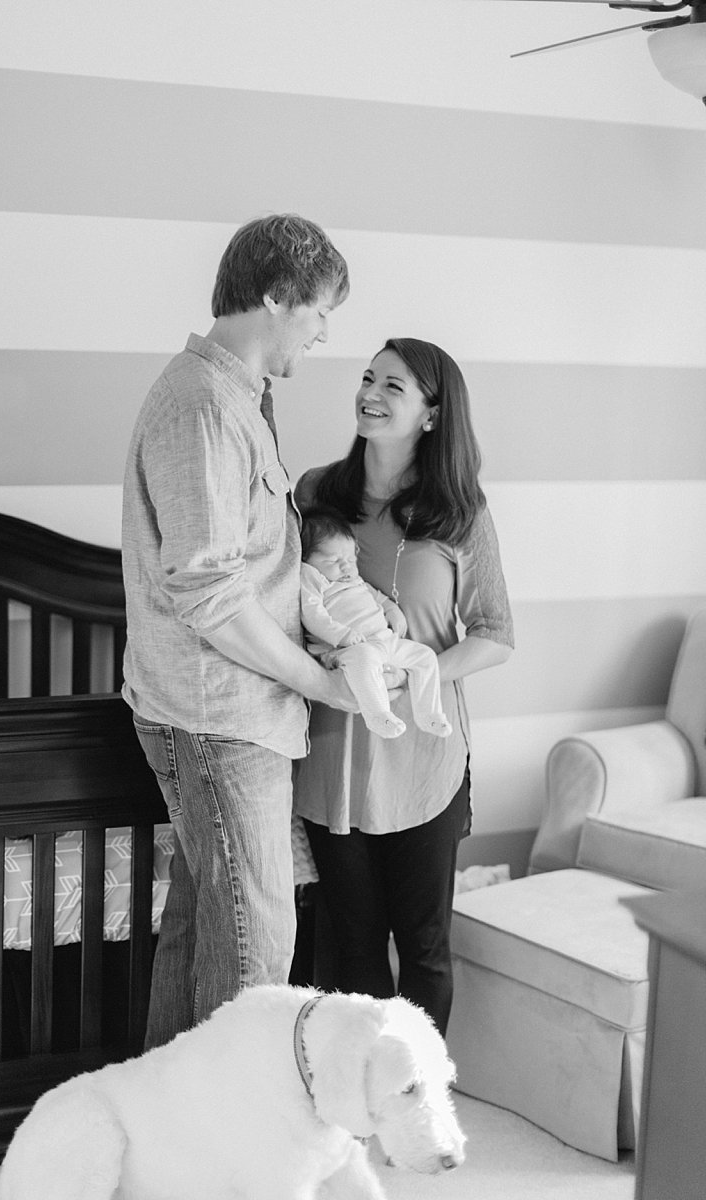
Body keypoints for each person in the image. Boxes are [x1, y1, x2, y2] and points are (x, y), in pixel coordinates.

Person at [121, 213, 363, 1049]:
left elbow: (253, 565)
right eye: (319, 311)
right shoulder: (201, 406)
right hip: (217, 716)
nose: (326, 331)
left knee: (205, 936)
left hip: (232, 713)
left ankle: (165, 1144)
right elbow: (213, 594)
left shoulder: (239, 400)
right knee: (258, 956)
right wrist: (319, 679)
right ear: (274, 296)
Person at [293, 336, 514, 1037]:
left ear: (431, 412)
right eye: (367, 378)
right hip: (331, 754)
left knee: (421, 946)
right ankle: (363, 1093)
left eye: (393, 385)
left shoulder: (461, 513)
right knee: (351, 946)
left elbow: (494, 633)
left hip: (425, 752)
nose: (371, 393)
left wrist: (407, 670)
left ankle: (418, 1095)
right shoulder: (313, 494)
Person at [299, 506, 452, 740]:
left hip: (385, 641)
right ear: (307, 561)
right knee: (364, 661)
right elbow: (312, 615)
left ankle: (429, 713)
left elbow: (377, 596)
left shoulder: (354, 580)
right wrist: (341, 635)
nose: (346, 566)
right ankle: (378, 715)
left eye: (351, 558)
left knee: (425, 657)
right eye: (333, 560)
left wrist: (393, 611)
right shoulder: (313, 579)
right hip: (346, 649)